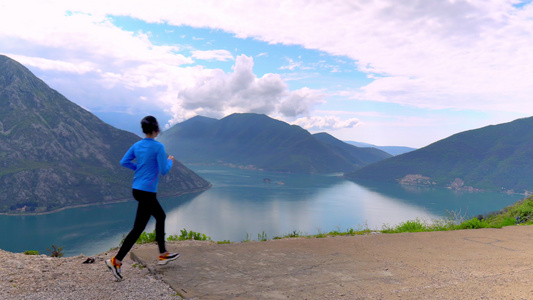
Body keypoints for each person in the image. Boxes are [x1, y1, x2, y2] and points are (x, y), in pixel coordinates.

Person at [106, 116, 180, 281]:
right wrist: (170, 161)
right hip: (147, 191)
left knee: (145, 224)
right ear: (156, 130)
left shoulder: (137, 145)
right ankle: (120, 260)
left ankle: (159, 254)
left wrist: (138, 167)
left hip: (137, 189)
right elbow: (164, 170)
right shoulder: (158, 147)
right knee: (153, 220)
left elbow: (124, 162)